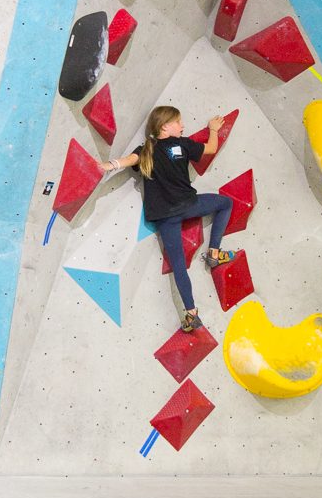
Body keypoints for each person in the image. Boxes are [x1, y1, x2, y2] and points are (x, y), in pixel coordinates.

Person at [100, 105, 236, 332]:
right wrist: (213, 129)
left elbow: (129, 160)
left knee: (180, 266)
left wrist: (108, 165)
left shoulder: (161, 147)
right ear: (164, 126)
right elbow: (211, 148)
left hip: (167, 216)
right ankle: (213, 253)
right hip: (185, 207)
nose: (183, 126)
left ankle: (192, 313)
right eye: (178, 122)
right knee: (226, 203)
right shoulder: (163, 147)